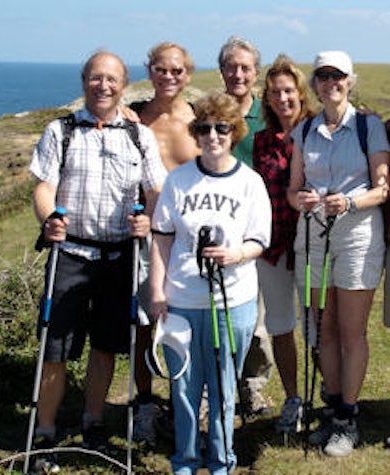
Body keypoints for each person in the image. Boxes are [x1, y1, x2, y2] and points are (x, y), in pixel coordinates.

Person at [29, 50, 166, 471]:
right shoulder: (61, 131)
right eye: (95, 78)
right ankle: (45, 433)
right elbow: (43, 187)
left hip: (120, 257)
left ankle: (93, 425)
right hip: (69, 253)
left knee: (106, 346)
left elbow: (156, 190)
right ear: (84, 81)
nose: (103, 86)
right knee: (56, 348)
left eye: (111, 79)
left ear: (124, 86)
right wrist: (49, 217)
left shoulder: (139, 136)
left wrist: (150, 220)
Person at [149, 91, 272, 475]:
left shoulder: (250, 183)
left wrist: (236, 254)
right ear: (196, 134)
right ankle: (185, 461)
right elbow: (162, 236)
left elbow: (259, 240)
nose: (213, 136)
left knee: (223, 386)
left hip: (233, 300)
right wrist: (156, 291)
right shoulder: (178, 180)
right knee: (184, 388)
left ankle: (222, 461)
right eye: (203, 128)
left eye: (221, 127)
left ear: (234, 132)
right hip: (182, 300)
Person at [287, 50, 390, 457]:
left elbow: (384, 188)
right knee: (321, 328)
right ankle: (332, 408)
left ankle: (348, 416)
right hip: (312, 235)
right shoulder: (305, 129)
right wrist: (304, 201)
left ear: (350, 80)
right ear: (314, 83)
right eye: (323, 76)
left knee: (350, 332)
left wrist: (348, 203)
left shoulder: (369, 127)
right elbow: (293, 190)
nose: (331, 83)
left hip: (357, 237)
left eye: (338, 76)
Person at [127, 41, 200, 446]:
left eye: (176, 70)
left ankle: (184, 400)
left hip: (189, 239)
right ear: (149, 71)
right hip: (145, 236)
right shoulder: (134, 117)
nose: (168, 76)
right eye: (160, 69)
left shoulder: (198, 120)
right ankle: (143, 405)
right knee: (143, 323)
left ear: (187, 74)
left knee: (186, 321)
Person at [252, 54, 317, 434]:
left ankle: (329, 394)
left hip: (313, 246)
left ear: (300, 92)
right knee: (280, 325)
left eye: (288, 90)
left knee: (318, 327)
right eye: (275, 92)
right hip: (274, 246)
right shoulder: (260, 141)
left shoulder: (318, 132)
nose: (283, 98)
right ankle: (293, 399)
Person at [218, 35, 274, 417]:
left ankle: (253, 389)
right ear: (222, 70)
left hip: (259, 231)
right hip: (216, 231)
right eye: (231, 67)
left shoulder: (268, 115)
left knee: (257, 321)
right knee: (215, 317)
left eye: (245, 67)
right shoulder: (207, 112)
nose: (238, 74)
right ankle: (213, 387)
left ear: (256, 73)